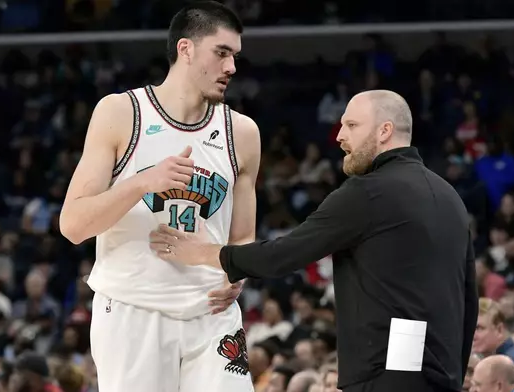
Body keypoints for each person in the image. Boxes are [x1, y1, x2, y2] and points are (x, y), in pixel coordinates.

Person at [151, 90, 478, 392]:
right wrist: (454, 372)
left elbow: (283, 255)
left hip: (384, 374)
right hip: (442, 374)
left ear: (384, 131)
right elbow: (468, 300)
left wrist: (206, 253)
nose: (339, 136)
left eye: (351, 124)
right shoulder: (451, 198)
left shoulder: (369, 192)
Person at [59, 1, 261, 391]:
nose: (231, 68)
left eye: (235, 56)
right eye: (221, 53)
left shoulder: (244, 133)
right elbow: (72, 225)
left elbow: (242, 238)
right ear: (185, 49)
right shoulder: (122, 113)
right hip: (134, 310)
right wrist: (141, 182)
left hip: (212, 312)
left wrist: (238, 273)